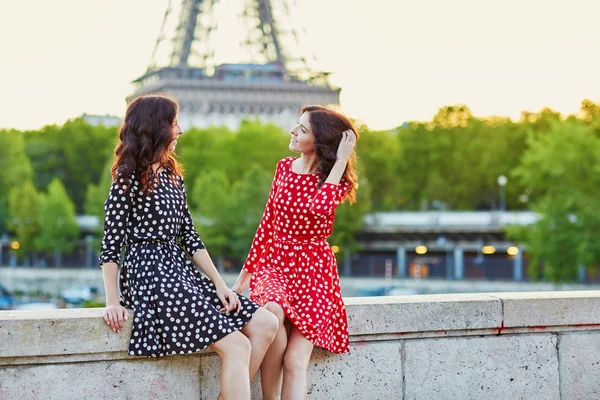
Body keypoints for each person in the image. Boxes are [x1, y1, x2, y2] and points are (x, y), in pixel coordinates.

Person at [99, 94, 278, 400]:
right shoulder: (126, 179)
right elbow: (111, 244)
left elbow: (189, 236)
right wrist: (112, 300)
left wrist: (220, 284)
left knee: (265, 324)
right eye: (174, 123)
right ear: (156, 128)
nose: (180, 130)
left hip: (179, 270)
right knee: (238, 345)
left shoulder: (172, 177)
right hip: (151, 275)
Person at [232, 105, 359, 400]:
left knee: (295, 360)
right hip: (275, 264)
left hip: (314, 274)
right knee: (273, 310)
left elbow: (318, 209)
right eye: (296, 125)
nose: (293, 131)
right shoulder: (283, 167)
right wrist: (243, 277)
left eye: (302, 129)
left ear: (320, 141)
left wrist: (340, 162)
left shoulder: (336, 182)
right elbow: (267, 224)